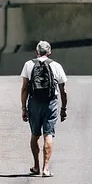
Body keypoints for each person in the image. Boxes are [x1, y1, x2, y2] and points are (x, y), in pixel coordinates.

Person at [20, 40, 67, 177]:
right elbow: (63, 90)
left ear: (36, 52)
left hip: (34, 102)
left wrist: (24, 108)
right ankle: (46, 169)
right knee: (48, 134)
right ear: (49, 52)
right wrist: (63, 108)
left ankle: (36, 166)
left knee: (35, 135)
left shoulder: (29, 65)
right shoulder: (56, 66)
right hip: (51, 103)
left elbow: (24, 88)